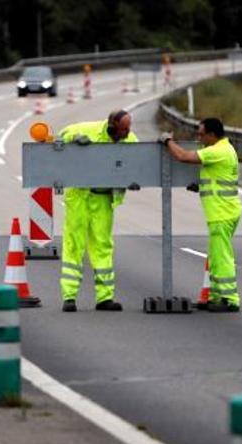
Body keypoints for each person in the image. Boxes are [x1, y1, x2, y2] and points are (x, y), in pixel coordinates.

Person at [58, 109, 138, 312]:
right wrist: (74, 138)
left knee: (103, 246)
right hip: (80, 196)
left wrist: (135, 177)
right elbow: (60, 136)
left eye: (129, 129)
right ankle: (69, 297)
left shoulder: (130, 140)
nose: (127, 133)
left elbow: (140, 158)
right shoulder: (89, 130)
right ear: (112, 127)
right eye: (123, 129)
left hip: (103, 199)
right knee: (74, 244)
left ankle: (105, 298)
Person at [162, 118, 242, 313]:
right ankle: (216, 296)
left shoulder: (218, 151)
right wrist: (201, 186)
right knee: (215, 256)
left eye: (202, 134)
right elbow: (217, 179)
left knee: (222, 257)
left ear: (213, 135)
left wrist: (167, 141)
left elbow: (183, 157)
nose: (199, 137)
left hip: (221, 213)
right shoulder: (225, 149)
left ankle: (229, 298)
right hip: (224, 210)